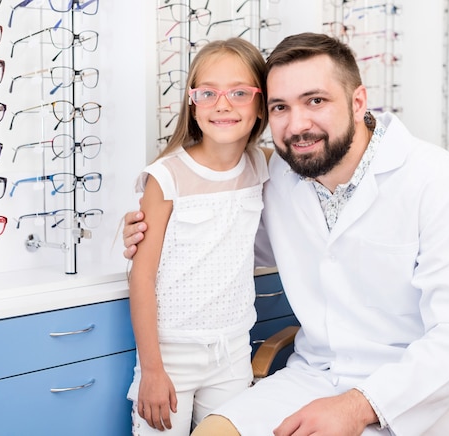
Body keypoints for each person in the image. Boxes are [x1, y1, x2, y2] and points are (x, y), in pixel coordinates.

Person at [124, 33, 449, 436]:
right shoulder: (281, 174)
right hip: (314, 378)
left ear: (358, 102)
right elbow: (230, 242)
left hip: (420, 395)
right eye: (280, 107)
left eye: (316, 101)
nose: (297, 125)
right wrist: (158, 230)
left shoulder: (440, 182)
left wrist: (359, 406)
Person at [125, 37, 269, 436]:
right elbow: (141, 277)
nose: (223, 105)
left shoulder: (261, 165)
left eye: (240, 92)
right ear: (192, 102)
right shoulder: (166, 177)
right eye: (208, 93)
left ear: (261, 105)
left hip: (233, 350)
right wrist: (152, 369)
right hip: (170, 354)